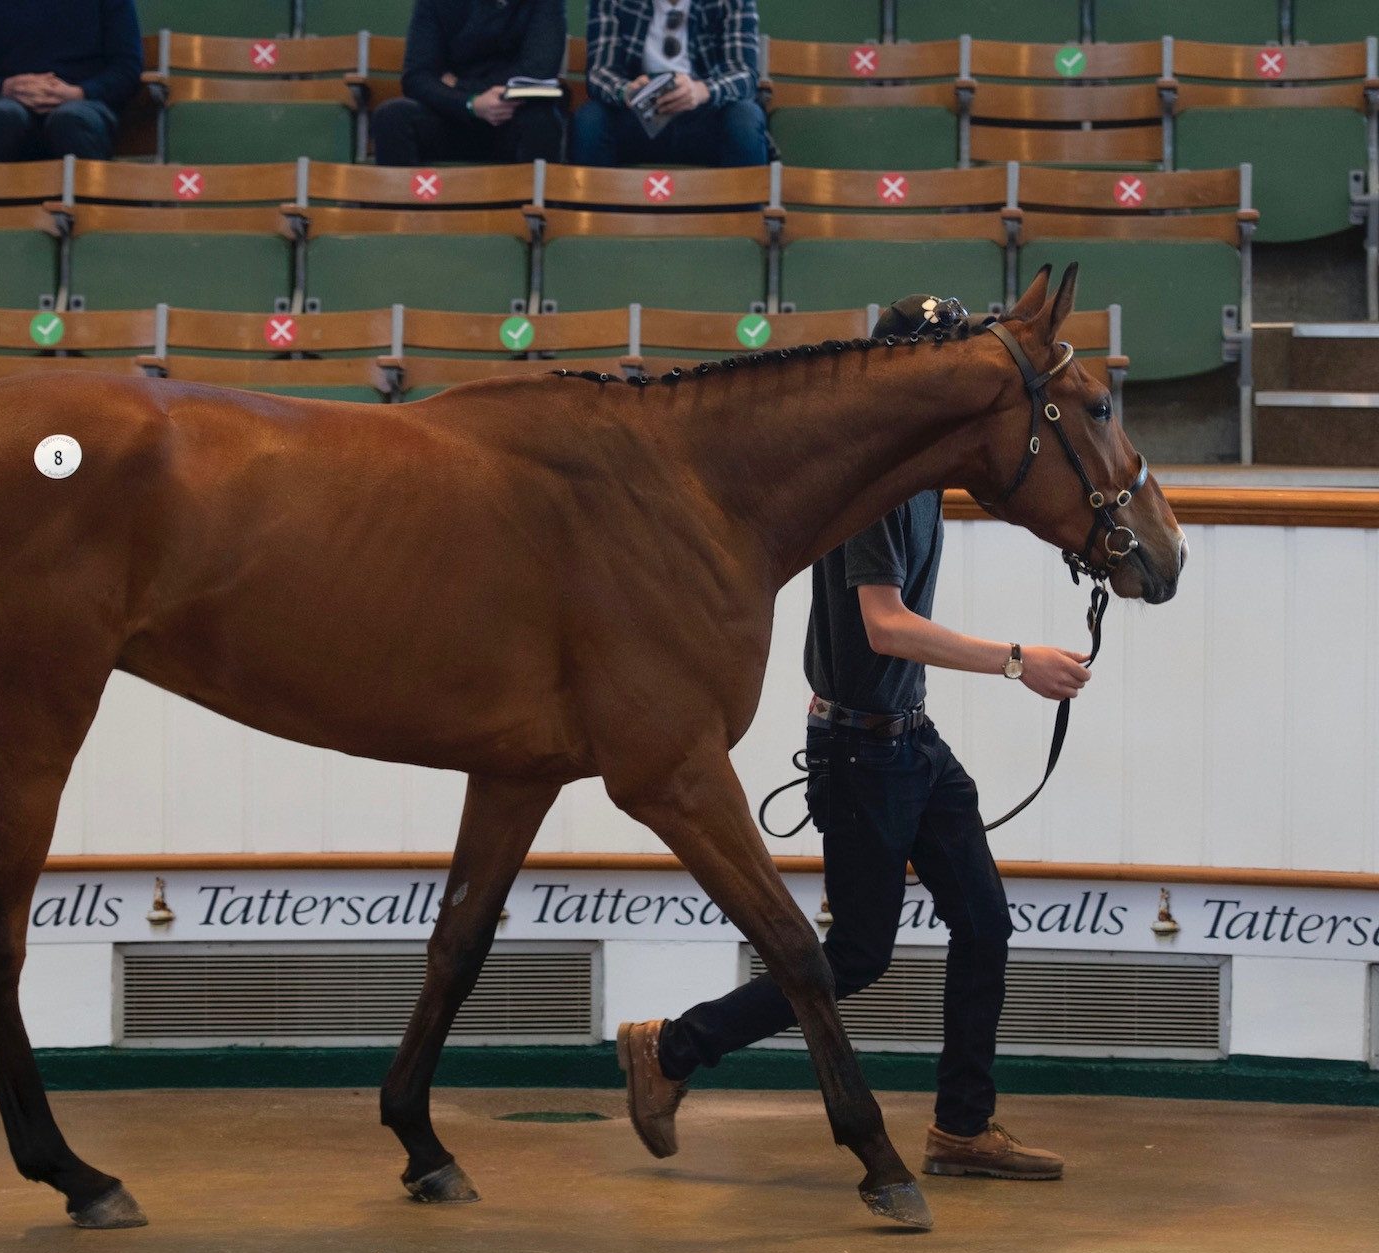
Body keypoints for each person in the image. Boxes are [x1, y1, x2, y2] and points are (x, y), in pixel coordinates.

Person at [617, 296, 1090, 1184]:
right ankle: (674, 1048)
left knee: (984, 923)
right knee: (856, 957)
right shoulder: (867, 491)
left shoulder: (920, 480)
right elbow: (885, 624)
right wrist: (1017, 659)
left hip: (912, 738)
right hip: (864, 750)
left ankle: (962, 1127)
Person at [573, 0, 768, 168]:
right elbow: (600, 72)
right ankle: (595, 210)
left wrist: (701, 91)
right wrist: (626, 90)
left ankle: (743, 211)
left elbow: (745, 74)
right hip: (636, 114)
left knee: (745, 119)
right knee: (591, 120)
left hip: (706, 116)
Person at [371, 0, 566, 167]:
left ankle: (532, 210)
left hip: (514, 115)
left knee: (543, 121)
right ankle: (403, 210)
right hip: (452, 114)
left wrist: (458, 85)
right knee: (392, 117)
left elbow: (539, 70)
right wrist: (472, 103)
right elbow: (417, 76)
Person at [0, 0, 142, 163]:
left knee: (70, 120)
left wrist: (78, 93)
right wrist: (7, 87)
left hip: (85, 103)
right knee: (4, 117)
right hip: (8, 101)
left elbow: (126, 68)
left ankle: (93, 199)